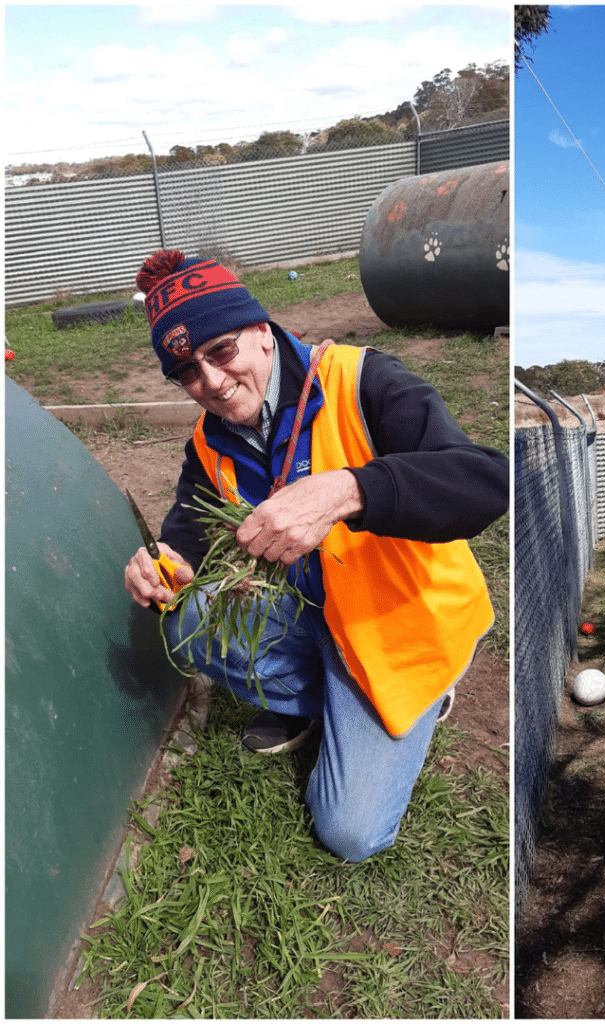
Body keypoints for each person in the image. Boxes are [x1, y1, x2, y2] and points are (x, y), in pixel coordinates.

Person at [124, 250, 508, 862]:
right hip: (309, 610)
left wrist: (350, 489)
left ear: (262, 333)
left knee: (350, 834)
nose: (213, 384)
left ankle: (417, 694)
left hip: (392, 625)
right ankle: (310, 701)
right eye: (187, 373)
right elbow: (189, 527)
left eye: (221, 351)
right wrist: (165, 563)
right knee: (185, 616)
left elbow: (485, 481)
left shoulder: (364, 380)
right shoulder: (207, 441)